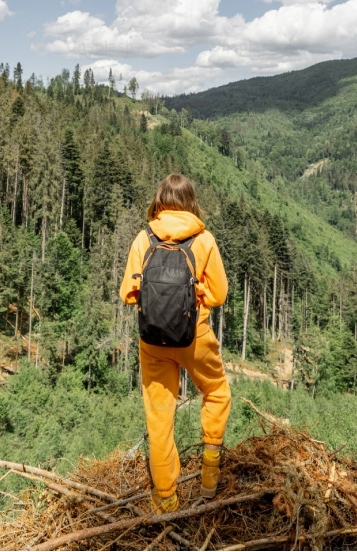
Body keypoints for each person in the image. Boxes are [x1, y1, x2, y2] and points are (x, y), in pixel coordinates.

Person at [122, 173, 231, 512]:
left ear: (160, 201)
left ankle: (166, 499)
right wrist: (196, 291)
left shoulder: (144, 238)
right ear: (190, 203)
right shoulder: (204, 240)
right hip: (193, 337)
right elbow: (219, 295)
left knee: (159, 418)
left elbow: (128, 293)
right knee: (217, 391)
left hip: (153, 340)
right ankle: (209, 472)